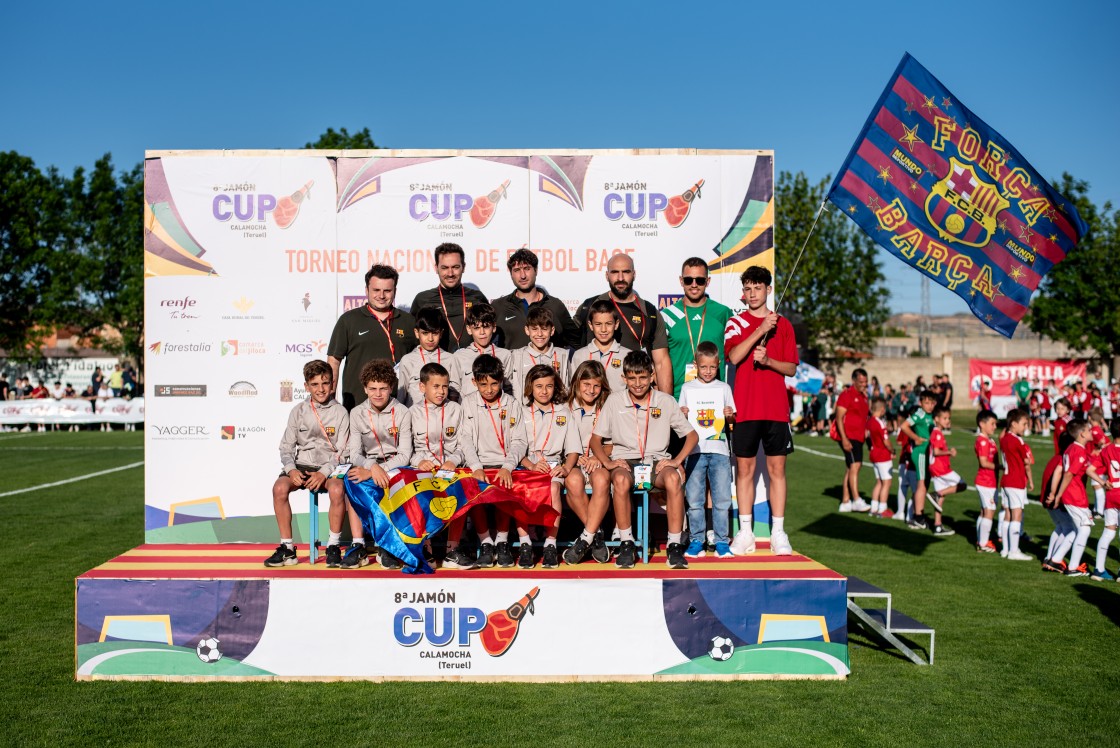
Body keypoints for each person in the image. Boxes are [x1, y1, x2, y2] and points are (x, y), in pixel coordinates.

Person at [589, 350, 697, 568]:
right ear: (624, 378)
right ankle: (627, 543)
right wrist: (608, 463)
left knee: (674, 479)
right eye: (632, 378)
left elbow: (692, 435)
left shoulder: (665, 401)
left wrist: (676, 461)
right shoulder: (614, 400)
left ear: (652, 376)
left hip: (656, 462)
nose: (638, 383)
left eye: (643, 377)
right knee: (619, 480)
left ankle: (674, 546)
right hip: (625, 462)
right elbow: (595, 440)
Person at [723, 265, 798, 556]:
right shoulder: (736, 323)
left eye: (758, 288)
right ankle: (745, 532)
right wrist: (759, 330)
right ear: (744, 293)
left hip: (776, 409)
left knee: (777, 470)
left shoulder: (786, 325)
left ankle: (779, 532)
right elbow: (733, 356)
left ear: (768, 289)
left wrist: (769, 363)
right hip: (746, 408)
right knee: (745, 470)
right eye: (748, 289)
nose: (752, 293)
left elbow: (790, 368)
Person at [265, 360, 350, 568]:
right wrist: (291, 469)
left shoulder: (341, 413)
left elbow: (343, 452)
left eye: (325, 383)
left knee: (338, 489)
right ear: (306, 386)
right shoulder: (298, 411)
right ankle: (287, 549)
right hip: (301, 466)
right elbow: (286, 448)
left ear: (332, 384)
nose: (321, 389)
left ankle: (333, 546)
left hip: (328, 468)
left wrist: (324, 472)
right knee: (279, 488)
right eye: (315, 384)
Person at [458, 354, 527, 570]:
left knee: (505, 486)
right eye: (483, 384)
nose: (489, 389)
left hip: (505, 463)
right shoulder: (468, 403)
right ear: (474, 382)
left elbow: (519, 440)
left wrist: (507, 467)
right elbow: (465, 439)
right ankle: (486, 542)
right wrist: (476, 468)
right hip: (478, 463)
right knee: (473, 487)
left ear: (502, 381)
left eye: (494, 383)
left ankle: (502, 542)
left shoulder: (512, 403)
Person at [344, 360, 414, 569]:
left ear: (391, 388)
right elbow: (354, 453)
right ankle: (358, 546)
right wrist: (371, 467)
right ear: (365, 388)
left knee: (396, 484)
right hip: (368, 465)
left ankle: (387, 546)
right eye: (373, 388)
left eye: (383, 388)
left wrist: (380, 470)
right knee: (352, 480)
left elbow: (405, 454)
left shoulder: (402, 412)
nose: (378, 394)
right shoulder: (356, 413)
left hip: (396, 465)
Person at [572, 253, 672, 393]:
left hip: (634, 400)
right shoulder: (589, 307)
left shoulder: (650, 312)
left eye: (626, 272)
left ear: (634, 274)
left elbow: (661, 363)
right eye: (614, 272)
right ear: (607, 275)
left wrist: (666, 404)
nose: (620, 278)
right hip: (592, 399)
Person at [328, 264, 418, 410]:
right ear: (366, 290)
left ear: (395, 291)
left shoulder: (408, 321)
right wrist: (330, 401)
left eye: (387, 291)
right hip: (357, 407)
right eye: (376, 290)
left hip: (398, 408)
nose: (381, 296)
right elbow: (333, 362)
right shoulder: (348, 320)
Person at [517, 365, 581, 569]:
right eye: (539, 386)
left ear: (555, 387)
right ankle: (525, 544)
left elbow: (573, 450)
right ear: (530, 388)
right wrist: (531, 465)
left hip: (553, 465)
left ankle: (550, 545)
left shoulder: (564, 412)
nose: (544, 391)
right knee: (521, 489)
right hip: (526, 464)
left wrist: (566, 468)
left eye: (549, 386)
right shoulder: (521, 412)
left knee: (554, 488)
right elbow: (514, 447)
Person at [678, 341, 735, 557]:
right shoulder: (687, 388)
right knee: (694, 500)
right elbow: (680, 423)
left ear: (718, 365)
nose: (708, 371)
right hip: (694, 450)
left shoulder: (724, 388)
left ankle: (721, 542)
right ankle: (696, 540)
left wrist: (730, 415)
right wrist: (682, 414)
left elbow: (731, 422)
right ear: (696, 365)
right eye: (703, 367)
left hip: (720, 450)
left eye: (712, 367)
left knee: (721, 499)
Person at [561, 361, 614, 565]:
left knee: (601, 479)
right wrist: (573, 456)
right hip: (572, 462)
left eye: (596, 386)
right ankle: (597, 535)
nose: (591, 390)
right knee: (573, 481)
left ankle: (585, 538)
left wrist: (596, 456)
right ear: (576, 383)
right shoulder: (565, 407)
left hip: (597, 461)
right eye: (586, 384)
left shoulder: (608, 406)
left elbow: (615, 443)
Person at [659, 257, 733, 398]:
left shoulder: (723, 313)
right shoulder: (667, 316)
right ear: (681, 281)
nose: (694, 285)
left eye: (699, 280)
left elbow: (735, 355)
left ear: (707, 281)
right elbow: (659, 362)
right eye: (688, 280)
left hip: (716, 396)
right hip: (679, 398)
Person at [1049, 420, 1108, 577]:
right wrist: (1058, 494)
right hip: (1075, 495)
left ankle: (1055, 559)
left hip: (1073, 494)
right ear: (1082, 433)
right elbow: (1069, 474)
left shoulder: (1072, 448)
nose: (1091, 433)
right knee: (1085, 529)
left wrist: (1102, 482)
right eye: (1089, 430)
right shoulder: (1079, 451)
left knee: (1078, 530)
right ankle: (1073, 567)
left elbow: (1086, 468)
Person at [491, 248, 579, 349]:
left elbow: (577, 343)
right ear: (511, 274)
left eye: (527, 269)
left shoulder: (555, 305)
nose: (523, 276)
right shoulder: (498, 307)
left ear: (536, 270)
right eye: (517, 270)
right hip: (511, 365)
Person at [409, 243, 489, 353]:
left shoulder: (477, 297)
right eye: (445, 268)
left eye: (455, 267)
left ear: (463, 267)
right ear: (436, 268)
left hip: (472, 364)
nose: (450, 273)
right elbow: (413, 339)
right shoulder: (422, 300)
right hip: (436, 366)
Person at [396, 308, 462, 407]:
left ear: (441, 333)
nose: (430, 339)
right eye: (425, 333)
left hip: (443, 417)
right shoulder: (407, 360)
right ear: (417, 333)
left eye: (435, 333)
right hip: (415, 418)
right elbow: (401, 395)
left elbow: (455, 392)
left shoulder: (450, 359)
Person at [452, 302, 512, 400]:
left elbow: (508, 387)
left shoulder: (505, 355)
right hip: (469, 412)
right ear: (469, 329)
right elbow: (454, 390)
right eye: (476, 328)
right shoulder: (459, 356)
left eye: (486, 327)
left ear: (494, 327)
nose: (482, 332)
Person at [570, 300, 630, 395]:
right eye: (598, 324)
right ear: (591, 325)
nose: (603, 329)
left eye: (608, 324)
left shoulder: (627, 355)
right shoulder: (579, 355)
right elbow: (573, 388)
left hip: (617, 409)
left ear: (616, 324)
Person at [508, 307, 570, 397]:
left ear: (552, 331)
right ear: (527, 330)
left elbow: (567, 387)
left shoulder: (563, 355)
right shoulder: (516, 356)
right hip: (526, 409)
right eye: (534, 329)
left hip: (555, 409)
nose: (539, 334)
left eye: (544, 329)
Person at [998, 409, 1034, 560]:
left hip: (1006, 480)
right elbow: (1027, 461)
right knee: (1016, 515)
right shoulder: (1017, 440)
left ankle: (1005, 549)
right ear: (1013, 424)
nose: (1026, 427)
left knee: (1007, 515)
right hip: (1016, 481)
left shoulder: (1004, 438)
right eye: (1024, 424)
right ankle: (1014, 551)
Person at [834, 369, 871, 513]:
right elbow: (838, 417)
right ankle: (856, 499)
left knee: (851, 467)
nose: (864, 384)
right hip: (849, 436)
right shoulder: (847, 395)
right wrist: (844, 438)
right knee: (855, 466)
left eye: (865, 382)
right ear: (854, 381)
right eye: (861, 382)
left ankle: (845, 501)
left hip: (859, 437)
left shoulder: (863, 396)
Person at [900, 390, 938, 531]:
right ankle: (918, 518)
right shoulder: (920, 414)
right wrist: (915, 438)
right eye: (926, 403)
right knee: (921, 484)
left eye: (931, 403)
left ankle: (919, 514)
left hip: (928, 452)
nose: (929, 406)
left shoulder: (930, 416)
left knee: (925, 484)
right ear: (920, 403)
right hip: (921, 452)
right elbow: (904, 426)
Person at [926, 405, 964, 537]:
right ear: (936, 419)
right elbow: (936, 452)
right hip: (940, 468)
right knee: (962, 484)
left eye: (949, 418)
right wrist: (949, 452)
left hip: (935, 468)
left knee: (941, 498)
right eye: (945, 418)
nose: (948, 421)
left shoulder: (937, 432)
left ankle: (937, 526)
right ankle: (936, 493)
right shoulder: (937, 433)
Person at [1091, 420, 1120, 581]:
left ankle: (1098, 569)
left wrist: (1103, 482)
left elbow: (1090, 469)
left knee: (1108, 531)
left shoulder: (1106, 449)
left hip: (1111, 494)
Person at [973, 410, 1000, 553]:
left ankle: (981, 540)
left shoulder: (990, 440)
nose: (995, 426)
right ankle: (983, 544)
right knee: (989, 511)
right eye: (992, 423)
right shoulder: (982, 441)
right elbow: (983, 462)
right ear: (982, 424)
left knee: (984, 512)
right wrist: (1001, 467)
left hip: (991, 482)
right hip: (985, 482)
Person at [867, 397, 894, 518]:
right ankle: (882, 509)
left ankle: (873, 507)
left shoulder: (869, 421)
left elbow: (866, 436)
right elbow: (886, 441)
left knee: (879, 482)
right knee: (886, 483)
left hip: (874, 453)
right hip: (882, 455)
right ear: (882, 409)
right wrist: (892, 450)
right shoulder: (880, 422)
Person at [1087, 407, 1109, 517]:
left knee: (1097, 486)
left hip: (1097, 464)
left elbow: (1103, 441)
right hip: (1098, 463)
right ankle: (1096, 508)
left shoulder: (1094, 430)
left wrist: (1098, 448)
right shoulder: (1099, 429)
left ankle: (1099, 511)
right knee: (1097, 486)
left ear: (1089, 417)